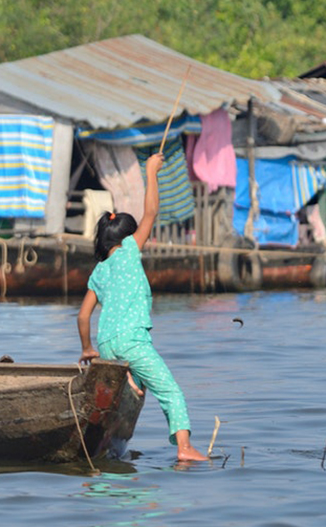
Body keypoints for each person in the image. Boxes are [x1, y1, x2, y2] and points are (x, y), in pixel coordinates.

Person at [76, 151, 209, 462]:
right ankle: (184, 448)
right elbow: (151, 212)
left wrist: (87, 348)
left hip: (107, 346)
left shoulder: (99, 271)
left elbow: (83, 316)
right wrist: (151, 171)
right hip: (132, 341)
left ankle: (129, 394)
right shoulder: (130, 251)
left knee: (134, 390)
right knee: (171, 392)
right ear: (126, 239)